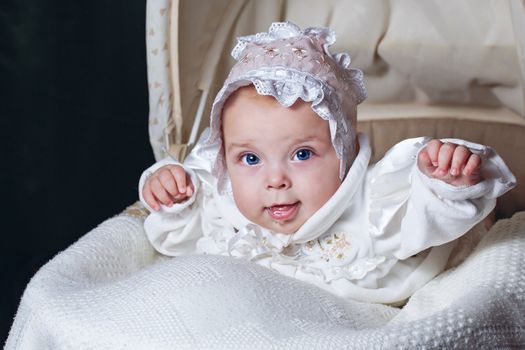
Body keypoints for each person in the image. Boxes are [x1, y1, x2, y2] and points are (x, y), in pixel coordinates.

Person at [138, 22, 516, 304]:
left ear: (345, 151)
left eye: (302, 154)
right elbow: (178, 238)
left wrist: (443, 182)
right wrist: (172, 195)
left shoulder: (375, 202)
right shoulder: (223, 204)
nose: (275, 180)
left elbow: (428, 221)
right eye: (250, 158)